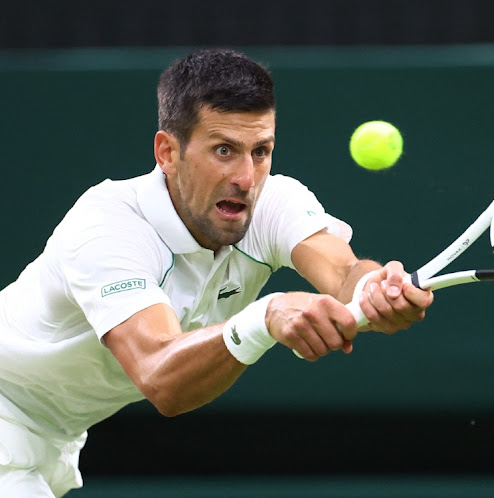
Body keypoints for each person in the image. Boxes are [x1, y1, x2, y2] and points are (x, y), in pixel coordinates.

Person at [0, 48, 433, 497]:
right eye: (224, 150)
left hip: (50, 436)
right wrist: (264, 318)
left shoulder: (272, 201)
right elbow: (159, 375)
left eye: (261, 151)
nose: (246, 178)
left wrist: (372, 289)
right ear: (168, 152)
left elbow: (343, 272)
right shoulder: (107, 229)